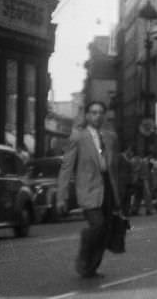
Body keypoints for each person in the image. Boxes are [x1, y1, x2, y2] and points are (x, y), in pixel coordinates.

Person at [57, 101, 121, 278]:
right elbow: (66, 168)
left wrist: (118, 196)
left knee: (106, 229)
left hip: (108, 188)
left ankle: (91, 268)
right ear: (87, 115)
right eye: (93, 112)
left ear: (105, 116)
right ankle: (84, 254)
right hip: (88, 189)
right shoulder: (78, 137)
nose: (97, 116)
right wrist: (61, 197)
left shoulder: (110, 137)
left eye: (101, 112)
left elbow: (115, 168)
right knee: (97, 225)